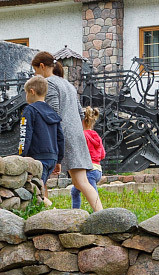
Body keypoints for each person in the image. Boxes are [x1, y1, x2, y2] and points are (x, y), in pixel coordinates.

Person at [31, 51, 102, 209]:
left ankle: (47, 212)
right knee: (82, 182)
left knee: (41, 178)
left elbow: (52, 113)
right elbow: (79, 112)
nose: (35, 74)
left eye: (35, 70)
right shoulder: (68, 84)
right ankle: (101, 213)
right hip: (77, 135)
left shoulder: (48, 83)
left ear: (42, 66)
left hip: (60, 136)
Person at [21, 77, 63, 181]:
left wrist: (21, 156)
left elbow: (25, 134)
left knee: (36, 192)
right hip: (52, 158)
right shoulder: (52, 112)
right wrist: (59, 160)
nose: (26, 96)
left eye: (26, 93)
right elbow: (60, 138)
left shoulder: (29, 110)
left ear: (32, 92)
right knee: (41, 188)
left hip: (37, 158)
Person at [81, 106, 106, 180]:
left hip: (88, 170)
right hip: (98, 170)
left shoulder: (83, 135)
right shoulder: (96, 136)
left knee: (91, 191)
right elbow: (102, 155)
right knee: (75, 190)